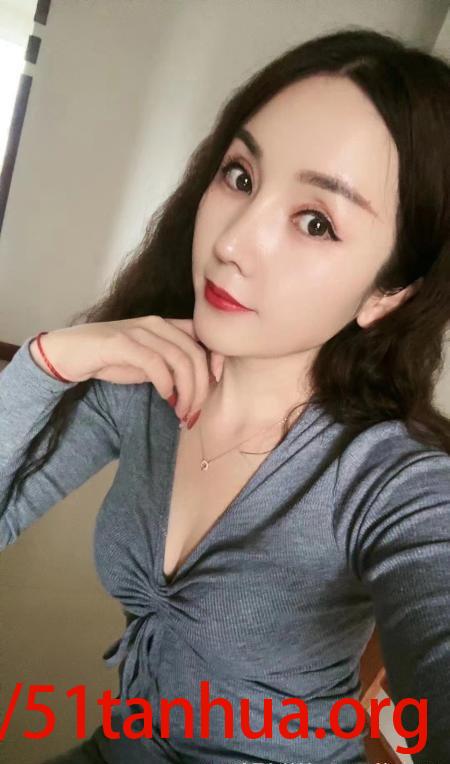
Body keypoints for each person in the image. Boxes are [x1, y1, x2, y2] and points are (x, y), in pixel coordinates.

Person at [1, 26, 449, 764]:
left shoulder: (394, 483)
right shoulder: (145, 387)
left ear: (388, 293)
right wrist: (45, 363)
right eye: (241, 176)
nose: (231, 243)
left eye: (315, 222)